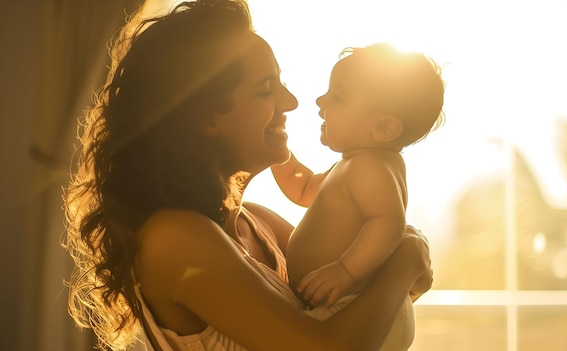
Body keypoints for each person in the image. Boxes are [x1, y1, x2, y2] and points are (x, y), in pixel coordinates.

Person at [63, 1, 433, 351]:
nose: (291, 102)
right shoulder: (174, 240)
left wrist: (399, 264)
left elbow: (368, 303)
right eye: (266, 89)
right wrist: (409, 255)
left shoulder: (261, 225)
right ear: (205, 117)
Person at [271, 43, 445, 350]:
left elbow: (389, 223)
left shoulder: (369, 168)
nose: (320, 101)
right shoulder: (356, 164)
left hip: (356, 302)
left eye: (337, 97)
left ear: (383, 127)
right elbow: (304, 187)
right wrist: (277, 154)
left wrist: (345, 271)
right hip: (351, 301)